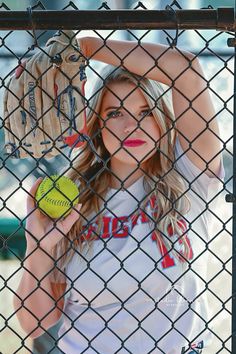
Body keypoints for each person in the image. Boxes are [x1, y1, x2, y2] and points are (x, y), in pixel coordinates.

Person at [14, 35, 224, 353]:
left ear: (162, 121)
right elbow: (36, 323)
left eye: (145, 112)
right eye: (115, 113)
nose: (131, 126)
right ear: (96, 124)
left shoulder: (189, 177)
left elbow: (186, 70)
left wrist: (86, 47)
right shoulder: (73, 200)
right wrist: (39, 248)